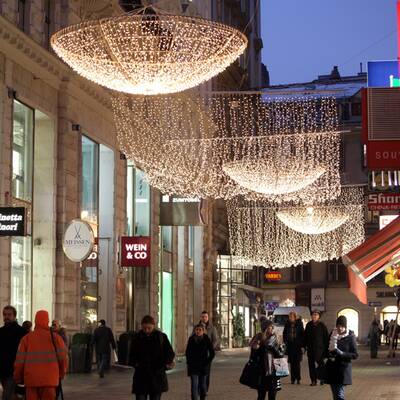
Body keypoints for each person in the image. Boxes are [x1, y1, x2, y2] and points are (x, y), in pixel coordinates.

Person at [14, 310, 68, 400]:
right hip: (50, 381)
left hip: (31, 381)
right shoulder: (56, 338)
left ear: (35, 321)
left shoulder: (26, 339)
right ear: (47, 321)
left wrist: (17, 377)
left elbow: (19, 361)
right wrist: (61, 374)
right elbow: (63, 359)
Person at [129, 315, 175, 400]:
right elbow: (132, 355)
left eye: (149, 328)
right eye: (144, 328)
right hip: (141, 376)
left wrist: (164, 365)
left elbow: (170, 353)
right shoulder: (137, 337)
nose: (147, 330)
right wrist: (136, 364)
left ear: (153, 326)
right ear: (141, 326)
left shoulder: (161, 337)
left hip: (157, 377)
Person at [250, 319, 283, 400]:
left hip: (274, 371)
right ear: (265, 328)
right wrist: (256, 348)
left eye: (272, 327)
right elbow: (252, 356)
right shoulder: (258, 337)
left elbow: (281, 354)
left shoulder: (276, 338)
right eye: (270, 327)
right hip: (261, 371)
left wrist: (274, 348)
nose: (272, 329)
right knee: (261, 395)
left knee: (272, 395)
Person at [326, 316, 358, 400]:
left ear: (345, 326)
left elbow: (355, 355)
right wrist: (329, 354)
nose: (340, 328)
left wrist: (342, 353)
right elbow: (326, 349)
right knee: (335, 395)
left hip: (343, 370)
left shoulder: (350, 337)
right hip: (332, 369)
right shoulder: (332, 334)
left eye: (342, 326)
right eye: (338, 326)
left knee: (339, 394)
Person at [0, 305, 27, 400]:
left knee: (7, 396)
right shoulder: (1, 331)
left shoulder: (22, 332)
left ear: (14, 316)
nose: (6, 317)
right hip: (3, 371)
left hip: (14, 371)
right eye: (4, 315)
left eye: (9, 314)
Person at [185, 324, 215, 400]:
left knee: (202, 385)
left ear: (203, 331)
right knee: (194, 385)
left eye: (200, 330)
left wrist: (207, 362)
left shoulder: (206, 338)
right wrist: (189, 362)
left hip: (203, 366)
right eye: (196, 330)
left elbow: (212, 352)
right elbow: (187, 352)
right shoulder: (191, 339)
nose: (198, 331)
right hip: (193, 366)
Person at [304, 310, 329, 386]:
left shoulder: (322, 325)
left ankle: (322, 378)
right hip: (310, 349)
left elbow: (326, 338)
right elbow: (305, 337)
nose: (314, 316)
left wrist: (326, 349)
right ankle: (313, 381)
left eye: (316, 315)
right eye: (313, 315)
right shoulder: (308, 325)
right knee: (311, 366)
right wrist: (304, 346)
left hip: (319, 349)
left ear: (319, 316)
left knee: (321, 364)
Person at [283, 311, 304, 384]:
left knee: (297, 363)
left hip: (297, 346)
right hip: (290, 345)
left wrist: (302, 345)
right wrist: (285, 341)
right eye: (290, 316)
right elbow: (284, 333)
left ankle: (298, 379)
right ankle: (292, 379)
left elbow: (302, 334)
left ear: (295, 317)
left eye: (292, 316)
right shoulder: (287, 324)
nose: (291, 318)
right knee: (292, 363)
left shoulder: (299, 323)